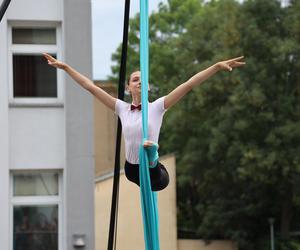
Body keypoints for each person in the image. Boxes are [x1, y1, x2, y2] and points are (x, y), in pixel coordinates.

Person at [43, 53, 245, 191]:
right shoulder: (122, 108)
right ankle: (150, 155)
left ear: (148, 87)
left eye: (143, 79)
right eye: (135, 79)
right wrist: (65, 67)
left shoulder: (157, 107)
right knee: (143, 163)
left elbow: (189, 84)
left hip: (154, 172)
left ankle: (152, 156)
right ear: (128, 87)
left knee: (159, 175)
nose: (139, 81)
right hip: (132, 170)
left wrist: (216, 67)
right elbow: (90, 87)